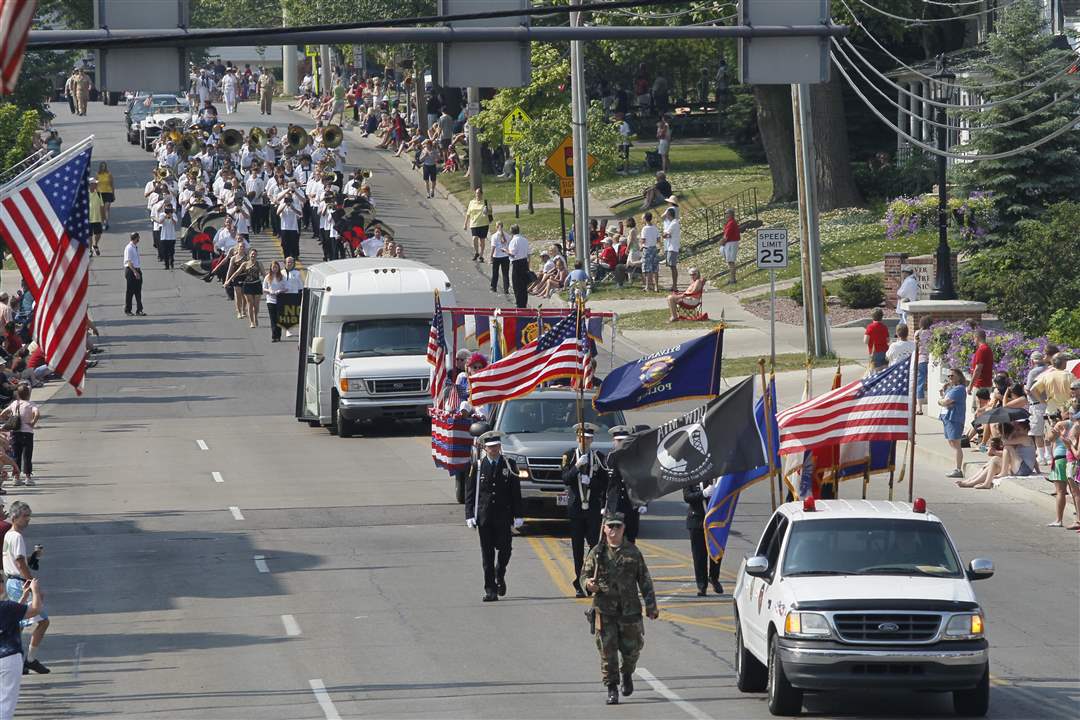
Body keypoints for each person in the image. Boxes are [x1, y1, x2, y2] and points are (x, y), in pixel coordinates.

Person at [580, 512, 659, 706]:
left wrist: (651, 606)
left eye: (618, 526)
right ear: (604, 528)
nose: (614, 530)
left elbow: (645, 580)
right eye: (610, 526)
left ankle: (627, 673)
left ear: (623, 528)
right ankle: (612, 688)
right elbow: (584, 575)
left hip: (629, 611)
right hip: (604, 610)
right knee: (607, 652)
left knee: (632, 650)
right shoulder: (597, 552)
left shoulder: (633, 552)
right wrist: (588, 584)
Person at [464, 432, 523, 603]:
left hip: (504, 515)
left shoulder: (509, 464)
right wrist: (469, 515)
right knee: (487, 555)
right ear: (485, 448)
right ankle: (490, 590)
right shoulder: (478, 466)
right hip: (485, 516)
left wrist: (518, 514)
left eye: (496, 447)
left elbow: (515, 492)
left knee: (506, 550)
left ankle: (500, 572)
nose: (494, 450)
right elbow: (471, 492)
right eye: (490, 447)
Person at [2, 501, 49, 675]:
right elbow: (20, 563)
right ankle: (29, 659)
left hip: (12, 581)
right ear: (14, 517)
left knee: (18, 622)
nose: (28, 519)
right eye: (25, 516)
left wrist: (33, 556)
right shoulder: (17, 537)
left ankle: (17, 657)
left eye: (29, 515)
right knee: (43, 621)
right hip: (20, 583)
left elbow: (16, 560)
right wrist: (32, 585)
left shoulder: (9, 535)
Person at [561, 423, 607, 598]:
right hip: (576, 509)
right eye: (582, 438)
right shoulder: (570, 456)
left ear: (592, 440)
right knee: (577, 548)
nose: (585, 441)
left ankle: (589, 578)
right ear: (577, 438)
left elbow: (604, 483)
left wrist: (591, 482)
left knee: (594, 546)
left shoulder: (598, 457)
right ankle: (579, 583)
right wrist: (576, 468)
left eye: (588, 438)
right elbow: (565, 478)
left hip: (593, 509)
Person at [1, 577, 44, 720]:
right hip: (8, 658)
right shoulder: (6, 607)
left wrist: (24, 596)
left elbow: (14, 616)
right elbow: (35, 609)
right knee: (6, 703)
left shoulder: (9, 608)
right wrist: (35, 591)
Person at [604, 426, 643, 542]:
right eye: (618, 441)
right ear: (613, 441)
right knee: (613, 538)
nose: (621, 443)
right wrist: (602, 505)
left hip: (630, 504)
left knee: (630, 537)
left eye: (624, 441)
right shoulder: (608, 459)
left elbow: (642, 483)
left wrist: (643, 503)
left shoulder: (636, 459)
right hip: (614, 505)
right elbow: (605, 484)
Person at [684, 479, 723, 596]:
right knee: (699, 555)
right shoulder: (690, 476)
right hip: (697, 520)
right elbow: (687, 497)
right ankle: (702, 585)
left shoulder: (715, 476)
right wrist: (703, 494)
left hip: (715, 520)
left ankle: (714, 578)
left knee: (716, 551)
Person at [1, 385, 38, 487]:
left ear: (18, 394)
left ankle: (16, 478)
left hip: (15, 433)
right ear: (29, 394)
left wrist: (8, 421)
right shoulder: (30, 404)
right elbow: (37, 413)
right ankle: (28, 478)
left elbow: (3, 413)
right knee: (27, 456)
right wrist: (33, 422)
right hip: (27, 433)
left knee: (16, 456)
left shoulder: (14, 403)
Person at [939, 368, 967, 479]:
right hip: (948, 418)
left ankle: (958, 469)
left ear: (959, 377)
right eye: (949, 376)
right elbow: (946, 401)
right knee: (952, 442)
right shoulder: (952, 389)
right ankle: (957, 468)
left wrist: (940, 401)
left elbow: (946, 402)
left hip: (955, 418)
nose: (950, 378)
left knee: (956, 444)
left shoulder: (959, 389)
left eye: (952, 376)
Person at [463, 188, 491, 262]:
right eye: (476, 193)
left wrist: (487, 211)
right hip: (474, 223)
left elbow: (490, 212)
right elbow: (468, 213)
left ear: (481, 194)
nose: (477, 195)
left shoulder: (485, 202)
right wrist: (465, 223)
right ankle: (476, 252)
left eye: (478, 193)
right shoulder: (472, 202)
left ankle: (481, 255)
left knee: (482, 241)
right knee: (474, 238)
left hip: (483, 224)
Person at [968, 329, 994, 404]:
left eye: (974, 338)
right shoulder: (987, 349)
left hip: (980, 385)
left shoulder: (982, 350)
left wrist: (970, 386)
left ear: (977, 337)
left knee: (978, 410)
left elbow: (978, 370)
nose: (974, 341)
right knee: (983, 410)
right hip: (986, 384)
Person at [508, 224, 530, 309]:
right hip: (524, 262)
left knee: (517, 284)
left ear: (511, 231)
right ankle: (524, 303)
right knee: (523, 285)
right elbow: (528, 253)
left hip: (517, 263)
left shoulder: (514, 241)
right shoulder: (524, 240)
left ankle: (519, 303)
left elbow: (512, 254)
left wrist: (506, 251)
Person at [263, 261, 286, 343]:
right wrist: (269, 291)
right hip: (270, 300)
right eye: (273, 267)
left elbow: (286, 287)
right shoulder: (267, 277)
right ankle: (274, 336)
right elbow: (264, 288)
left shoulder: (282, 277)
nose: (275, 269)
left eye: (276, 267)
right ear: (271, 268)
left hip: (279, 299)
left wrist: (280, 291)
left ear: (278, 268)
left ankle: (278, 335)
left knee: (278, 319)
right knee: (273, 319)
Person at [123, 232, 145, 316]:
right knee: (130, 291)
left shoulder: (134, 247)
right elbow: (129, 262)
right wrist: (135, 272)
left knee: (138, 291)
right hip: (131, 271)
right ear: (135, 238)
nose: (139, 239)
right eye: (138, 237)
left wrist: (138, 271)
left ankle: (139, 310)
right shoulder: (129, 248)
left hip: (137, 270)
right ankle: (128, 310)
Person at [915, 316, 933, 414]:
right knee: (932, 382)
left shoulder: (918, 333)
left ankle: (919, 408)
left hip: (921, 359)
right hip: (931, 360)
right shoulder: (933, 333)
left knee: (920, 384)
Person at [639, 211, 660, 292]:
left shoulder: (644, 229)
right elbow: (658, 239)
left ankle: (647, 286)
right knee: (655, 268)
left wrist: (641, 246)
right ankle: (656, 287)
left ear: (645, 219)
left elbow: (643, 240)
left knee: (647, 268)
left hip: (647, 249)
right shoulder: (655, 228)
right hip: (654, 248)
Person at [488, 222, 511, 295]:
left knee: (495, 272)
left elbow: (493, 247)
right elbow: (509, 246)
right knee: (505, 273)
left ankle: (494, 287)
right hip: (505, 256)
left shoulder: (494, 236)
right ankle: (506, 288)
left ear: (496, 227)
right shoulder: (507, 235)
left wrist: (491, 256)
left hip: (496, 256)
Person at [721, 208, 740, 284]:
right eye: (725, 213)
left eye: (726, 213)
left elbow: (726, 236)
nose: (725, 215)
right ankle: (732, 279)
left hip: (731, 243)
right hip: (730, 243)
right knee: (730, 262)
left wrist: (721, 243)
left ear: (731, 214)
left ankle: (733, 279)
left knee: (731, 262)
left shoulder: (731, 223)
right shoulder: (730, 222)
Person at [96, 162, 115, 230]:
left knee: (106, 208)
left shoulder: (109, 174)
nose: (103, 167)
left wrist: (113, 194)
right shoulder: (98, 175)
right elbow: (95, 184)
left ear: (106, 167)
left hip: (108, 192)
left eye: (104, 166)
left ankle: (106, 223)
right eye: (102, 166)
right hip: (100, 193)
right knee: (101, 210)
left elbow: (112, 184)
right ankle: (102, 222)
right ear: (100, 167)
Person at [88, 178, 104, 256]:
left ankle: (95, 245)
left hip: (97, 218)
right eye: (95, 184)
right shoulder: (85, 194)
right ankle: (90, 249)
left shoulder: (98, 193)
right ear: (91, 185)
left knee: (98, 233)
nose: (96, 185)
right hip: (88, 218)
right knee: (90, 235)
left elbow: (101, 205)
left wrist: (103, 217)